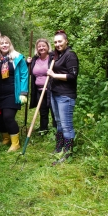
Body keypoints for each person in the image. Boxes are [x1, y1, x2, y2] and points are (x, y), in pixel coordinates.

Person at [47, 30, 79, 164]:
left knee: (66, 125)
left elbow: (72, 76)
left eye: (60, 41)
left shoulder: (70, 55)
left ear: (66, 41)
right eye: (55, 42)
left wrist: (54, 75)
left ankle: (67, 153)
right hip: (55, 93)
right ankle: (59, 147)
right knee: (59, 123)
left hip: (66, 96)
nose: (57, 44)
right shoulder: (57, 55)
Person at [0, 36, 28, 152]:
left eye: (6, 43)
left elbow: (24, 74)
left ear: (10, 44)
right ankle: (6, 138)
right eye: (1, 43)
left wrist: (23, 92)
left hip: (12, 92)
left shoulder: (18, 58)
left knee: (8, 117)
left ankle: (16, 143)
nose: (4, 45)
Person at [27, 39, 56, 134]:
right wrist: (28, 63)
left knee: (54, 111)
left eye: (43, 45)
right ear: (37, 48)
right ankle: (44, 129)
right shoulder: (35, 59)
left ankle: (56, 131)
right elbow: (30, 72)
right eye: (39, 46)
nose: (41, 48)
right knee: (43, 110)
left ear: (48, 47)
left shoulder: (53, 58)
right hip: (39, 90)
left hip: (51, 89)